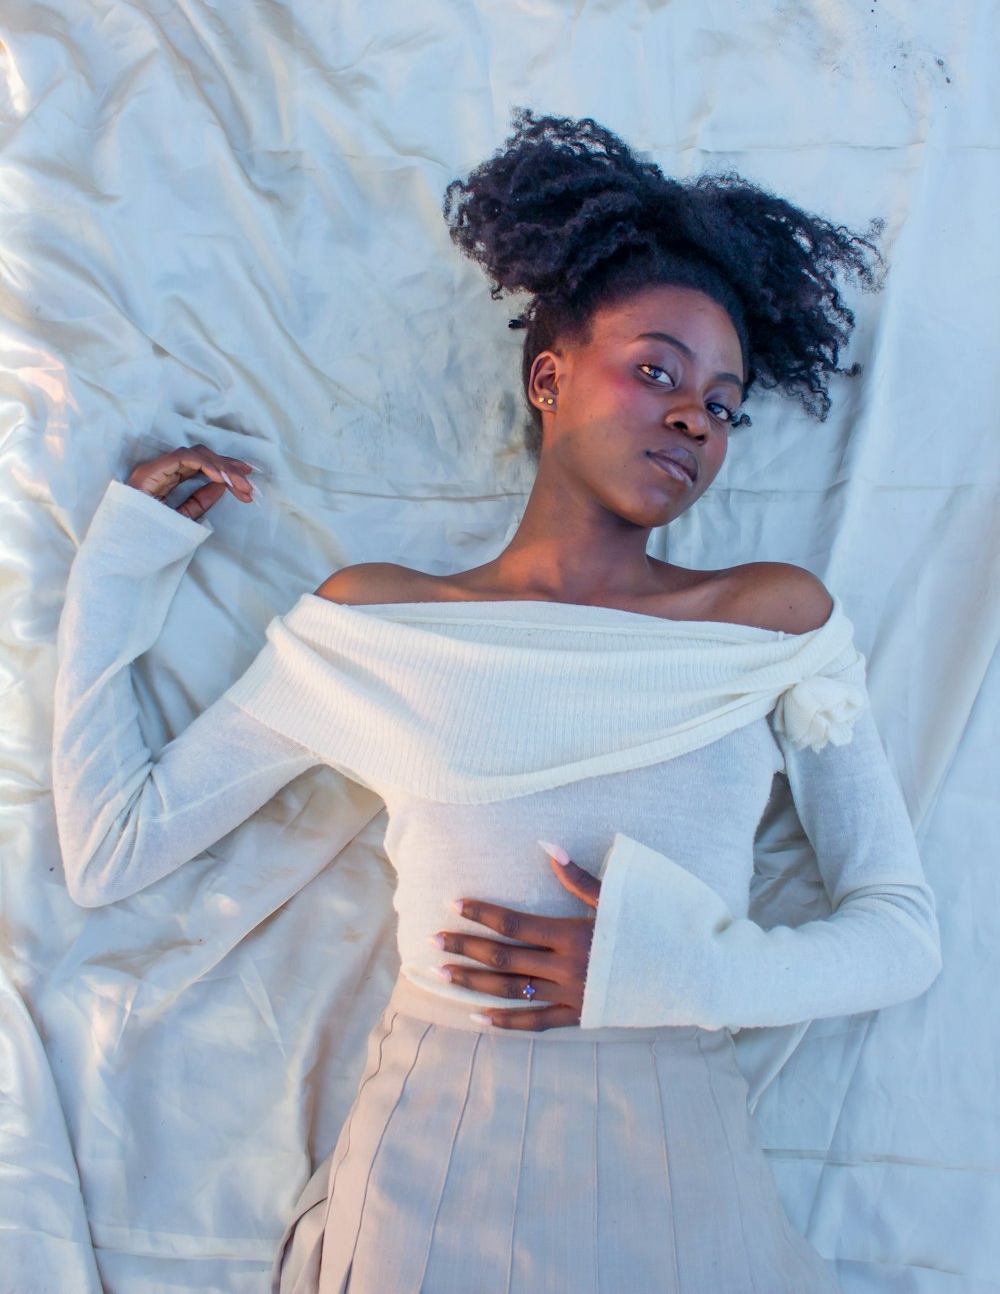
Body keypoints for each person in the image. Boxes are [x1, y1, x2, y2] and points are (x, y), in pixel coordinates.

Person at [52, 111, 942, 1293]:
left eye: (723, 403)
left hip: (677, 1144)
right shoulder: (381, 623)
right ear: (548, 375)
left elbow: (899, 930)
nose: (693, 418)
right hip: (437, 1153)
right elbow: (113, 846)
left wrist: (665, 971)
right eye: (656, 370)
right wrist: (124, 561)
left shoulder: (768, 619)